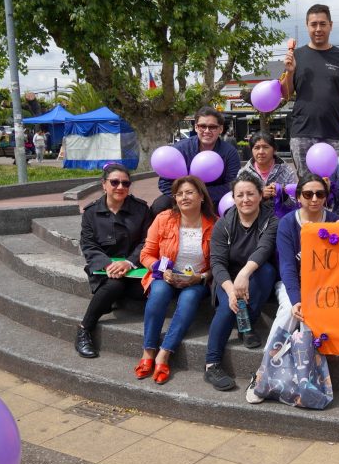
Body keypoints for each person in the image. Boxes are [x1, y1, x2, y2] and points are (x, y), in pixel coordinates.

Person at [246, 174, 339, 403]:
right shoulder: (288, 223)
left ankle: (307, 380)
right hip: (293, 284)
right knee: (290, 309)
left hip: (326, 287)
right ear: (299, 197)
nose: (314, 199)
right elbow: (287, 267)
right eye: (308, 194)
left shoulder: (336, 220)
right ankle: (262, 375)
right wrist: (298, 299)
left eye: (320, 194)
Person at [135, 176, 216, 385]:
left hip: (197, 279)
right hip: (167, 275)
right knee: (159, 292)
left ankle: (165, 353)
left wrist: (201, 277)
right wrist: (163, 271)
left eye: (189, 192)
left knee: (189, 299)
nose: (184, 197)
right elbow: (146, 254)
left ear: (201, 196)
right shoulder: (164, 219)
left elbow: (218, 263)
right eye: (179, 194)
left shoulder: (214, 224)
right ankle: (149, 350)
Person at [204, 172, 278, 391]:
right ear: (233, 198)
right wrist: (230, 289)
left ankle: (245, 324)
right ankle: (212, 364)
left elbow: (264, 250)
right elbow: (216, 262)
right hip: (225, 277)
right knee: (228, 308)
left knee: (267, 271)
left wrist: (244, 275)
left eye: (250, 194)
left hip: (253, 273)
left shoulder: (271, 221)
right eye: (240, 195)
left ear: (259, 196)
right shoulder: (223, 224)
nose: (245, 199)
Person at [76, 164, 152, 358]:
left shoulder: (141, 209)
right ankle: (84, 329)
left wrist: (129, 263)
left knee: (146, 289)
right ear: (104, 185)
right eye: (114, 182)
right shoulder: (91, 213)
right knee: (115, 286)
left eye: (125, 183)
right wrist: (108, 265)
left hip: (134, 269)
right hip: (106, 270)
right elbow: (89, 245)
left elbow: (147, 241)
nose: (120, 187)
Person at [281, 4, 339, 176]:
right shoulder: (296, 56)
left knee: (334, 185)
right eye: (314, 24)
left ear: (330, 25)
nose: (318, 29)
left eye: (323, 24)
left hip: (334, 133)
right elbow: (286, 95)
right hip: (302, 132)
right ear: (307, 26)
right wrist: (290, 71)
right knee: (306, 187)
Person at [151, 106, 240, 215]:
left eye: (212, 127)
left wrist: (199, 196)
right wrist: (184, 196)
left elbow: (231, 184)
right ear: (196, 127)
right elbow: (164, 183)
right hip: (181, 196)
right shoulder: (179, 149)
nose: (207, 131)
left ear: (220, 129)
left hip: (214, 199)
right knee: (159, 206)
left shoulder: (230, 152)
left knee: (233, 208)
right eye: (202, 126)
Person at [238, 131, 297, 215]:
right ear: (251, 150)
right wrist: (260, 195)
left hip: (280, 220)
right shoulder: (243, 173)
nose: (261, 152)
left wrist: (283, 195)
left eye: (265, 147)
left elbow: (294, 205)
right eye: (256, 148)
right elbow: (239, 202)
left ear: (274, 150)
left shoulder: (286, 171)